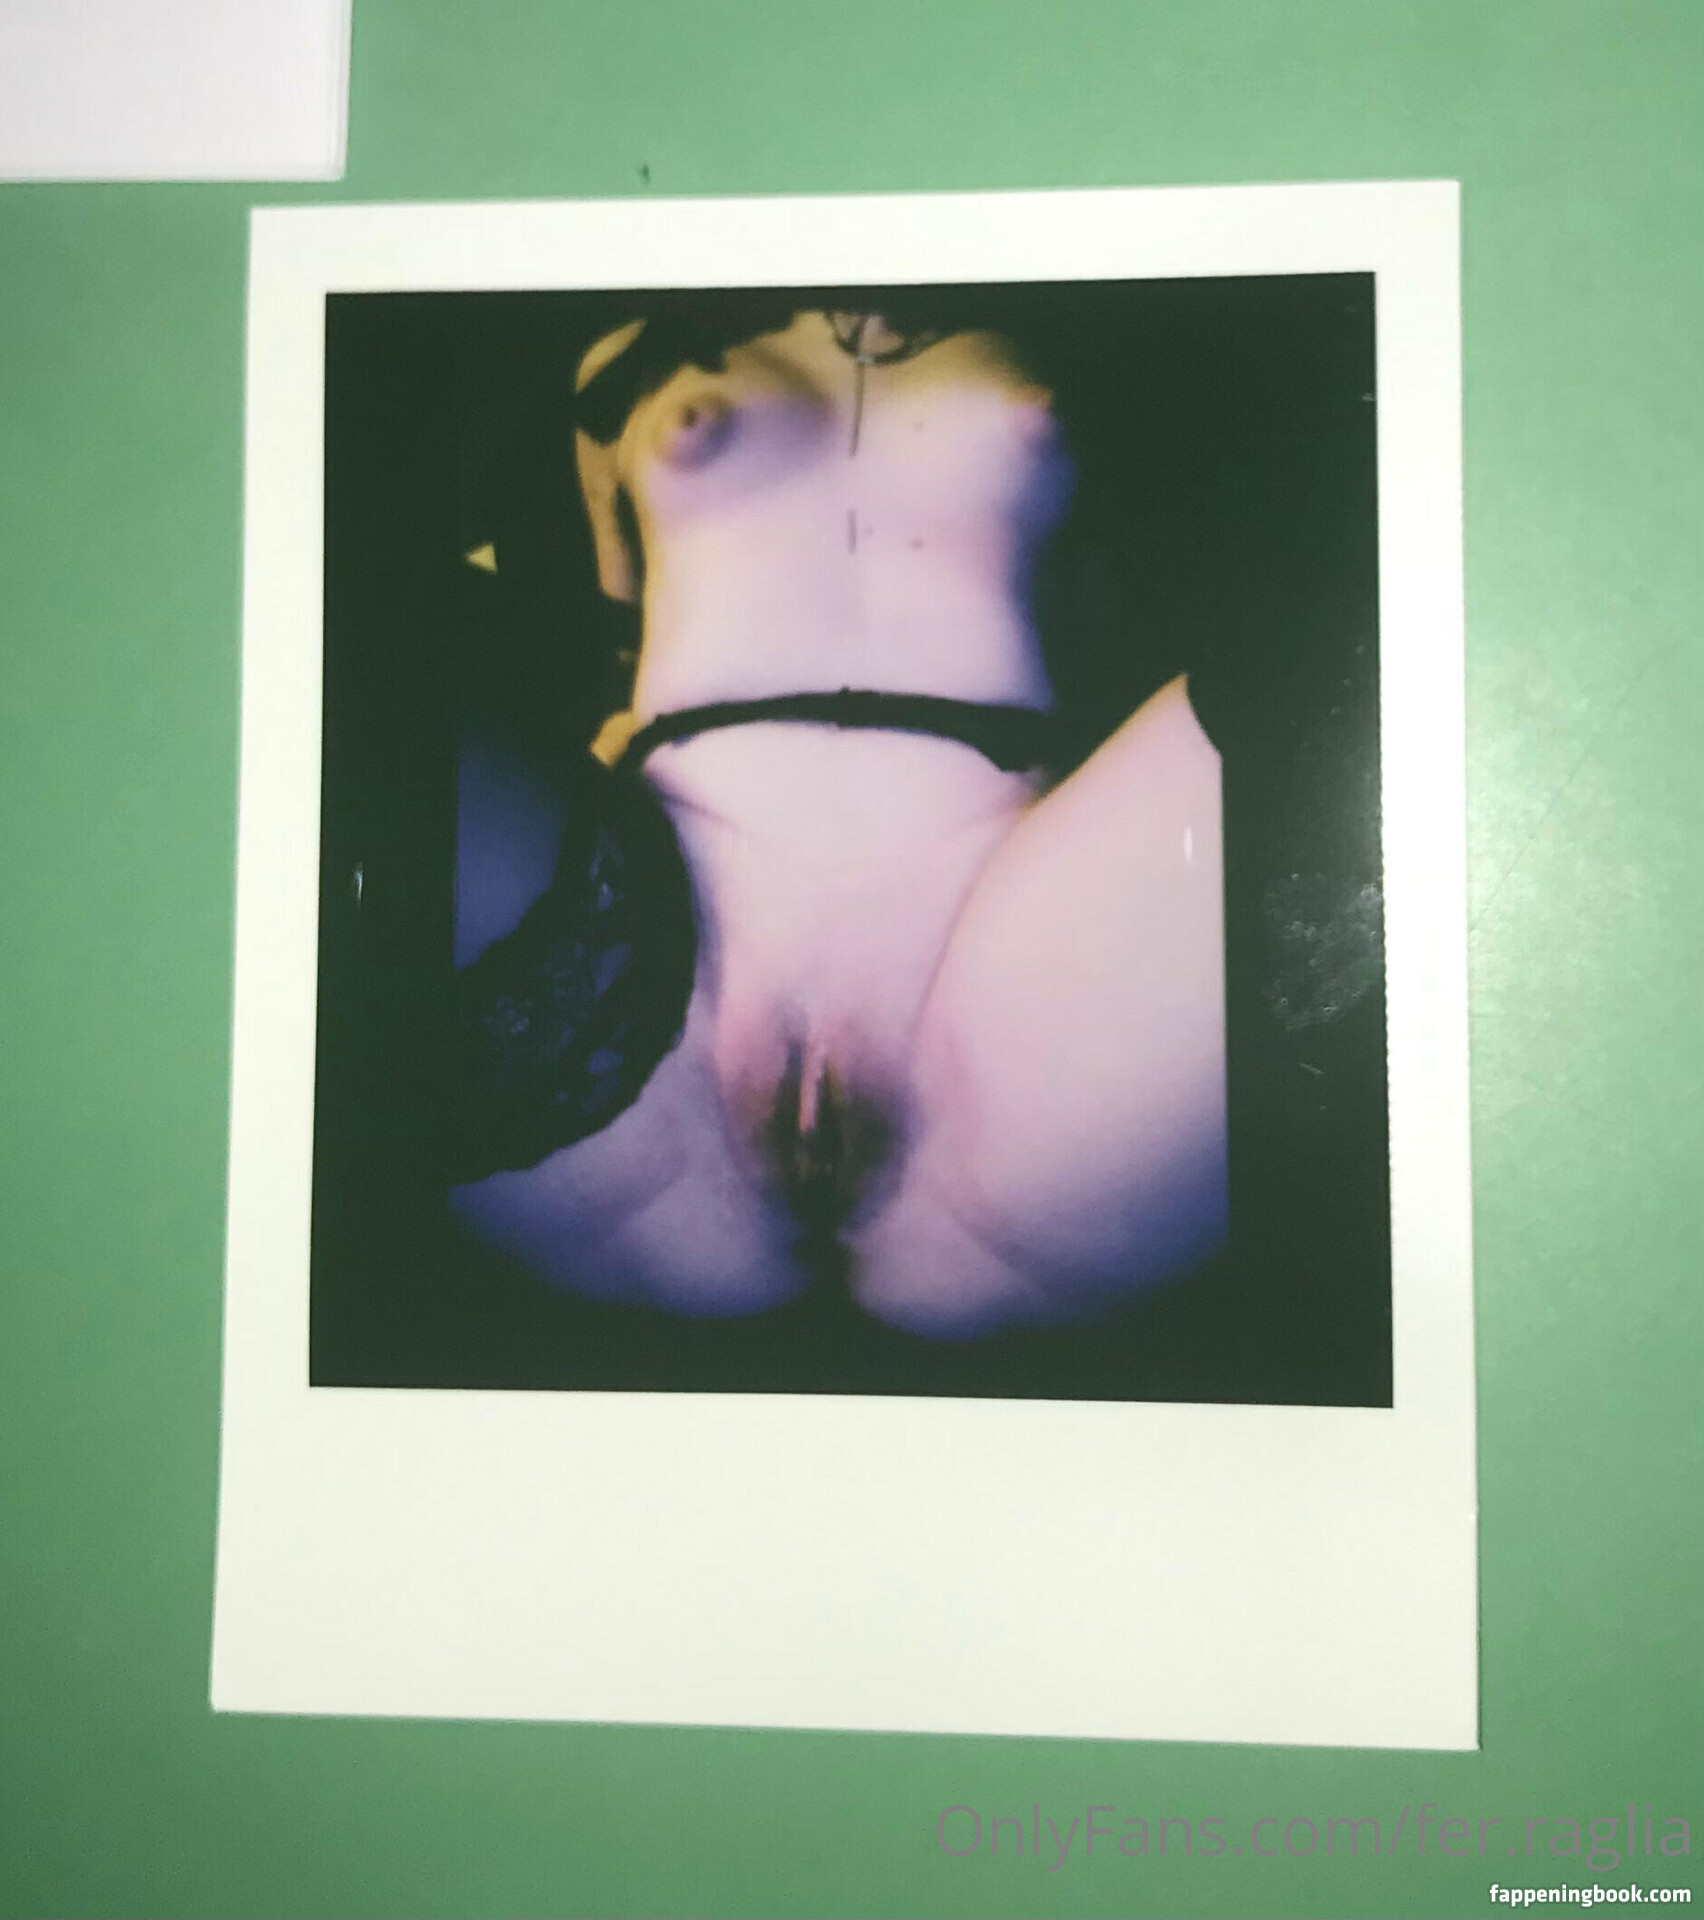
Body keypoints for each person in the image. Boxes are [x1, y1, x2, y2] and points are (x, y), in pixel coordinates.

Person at [449, 304, 1226, 1338]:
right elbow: (612, 619)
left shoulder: (1064, 323)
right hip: (656, 913)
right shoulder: (624, 357)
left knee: (1315, 683)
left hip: (1004, 925)